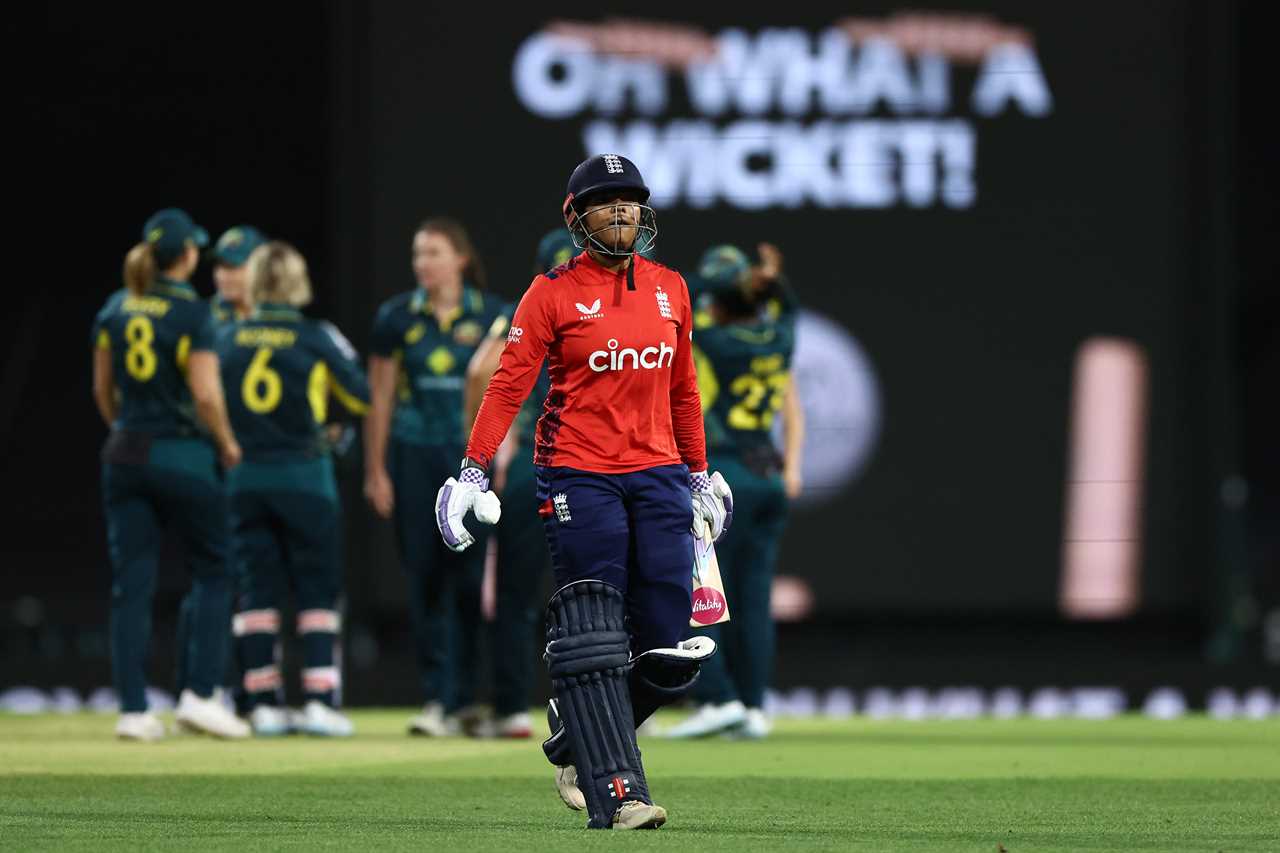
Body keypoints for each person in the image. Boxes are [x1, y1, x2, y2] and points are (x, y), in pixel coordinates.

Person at [434, 154, 733, 830]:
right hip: (578, 471)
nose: (622, 209)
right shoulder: (551, 293)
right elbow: (508, 382)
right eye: (605, 201)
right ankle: (618, 791)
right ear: (577, 217)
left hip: (658, 474)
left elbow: (683, 387)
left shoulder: (671, 288)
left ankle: (576, 737)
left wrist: (698, 472)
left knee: (666, 645)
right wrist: (473, 470)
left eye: (630, 199)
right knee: (597, 631)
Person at [91, 208, 249, 741]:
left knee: (131, 583)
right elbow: (205, 393)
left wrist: (130, 431)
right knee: (215, 570)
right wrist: (226, 443)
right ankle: (201, 695)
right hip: (181, 454)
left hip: (124, 453)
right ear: (185, 256)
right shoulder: (191, 312)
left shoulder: (115, 306)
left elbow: (102, 391)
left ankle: (133, 710)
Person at [216, 241, 370, 737]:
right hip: (305, 478)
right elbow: (361, 395)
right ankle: (320, 700)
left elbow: (205, 400)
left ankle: (262, 701)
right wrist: (329, 428)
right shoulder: (316, 336)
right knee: (317, 591)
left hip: (245, 477)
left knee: (256, 593)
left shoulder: (225, 337)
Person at [364, 218, 503, 736]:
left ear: (461, 259)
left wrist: (501, 457)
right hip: (413, 452)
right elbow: (379, 398)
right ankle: (435, 699)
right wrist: (377, 470)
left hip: (470, 456)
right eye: (418, 254)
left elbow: (508, 392)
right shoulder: (396, 317)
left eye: (434, 253)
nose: (423, 263)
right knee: (423, 577)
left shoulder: (493, 315)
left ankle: (465, 697)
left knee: (469, 580)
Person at [664, 243, 804, 740]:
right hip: (768, 475)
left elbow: (681, 311)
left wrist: (719, 286)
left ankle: (717, 698)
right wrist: (771, 283)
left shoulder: (714, 342)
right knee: (753, 598)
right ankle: (754, 706)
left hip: (724, 477)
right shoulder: (780, 337)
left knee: (699, 589)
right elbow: (791, 310)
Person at [460, 229, 576, 738]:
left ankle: (510, 708)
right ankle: (614, 709)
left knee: (516, 594)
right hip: (599, 463)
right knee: (597, 590)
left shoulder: (532, 303)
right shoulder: (615, 303)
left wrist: (485, 451)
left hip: (536, 458)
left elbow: (478, 372)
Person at [174, 223, 267, 708]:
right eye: (222, 267)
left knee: (253, 582)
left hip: (263, 468)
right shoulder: (203, 318)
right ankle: (196, 686)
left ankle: (250, 693)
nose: (228, 277)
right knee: (212, 574)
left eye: (239, 266)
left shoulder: (276, 318)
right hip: (216, 462)